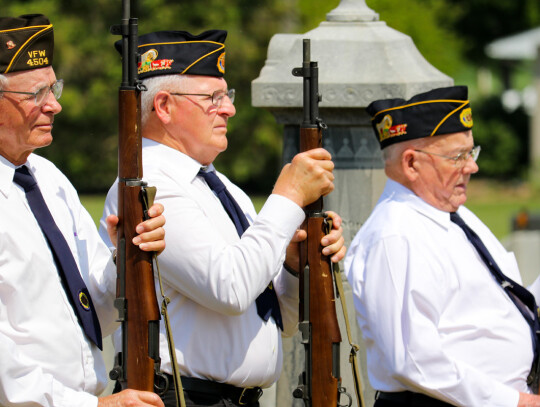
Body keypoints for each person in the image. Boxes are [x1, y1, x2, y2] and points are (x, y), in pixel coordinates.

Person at [99, 29, 346, 407]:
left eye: (226, 96)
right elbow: (229, 289)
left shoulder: (224, 188)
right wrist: (289, 196)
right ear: (164, 106)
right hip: (187, 398)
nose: (228, 109)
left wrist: (295, 267)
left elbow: (279, 321)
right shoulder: (149, 187)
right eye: (213, 98)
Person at [0, 14, 166, 407]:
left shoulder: (48, 178)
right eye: (35, 94)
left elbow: (97, 316)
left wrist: (126, 254)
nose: (54, 105)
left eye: (53, 88)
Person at [344, 85, 540, 407]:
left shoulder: (455, 216)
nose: (472, 167)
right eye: (457, 156)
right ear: (411, 164)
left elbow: (499, 307)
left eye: (471, 152)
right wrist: (516, 402)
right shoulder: (396, 235)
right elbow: (413, 361)